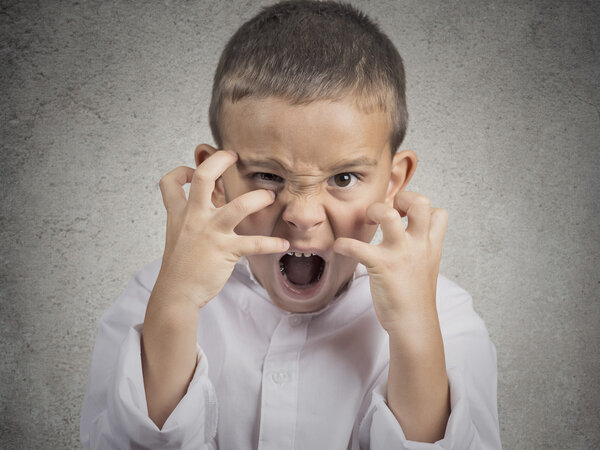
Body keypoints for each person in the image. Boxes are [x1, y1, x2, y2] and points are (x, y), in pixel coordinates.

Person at [80, 1, 501, 448]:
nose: (302, 213)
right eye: (268, 176)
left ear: (392, 183)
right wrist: (176, 303)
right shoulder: (154, 296)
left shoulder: (446, 315)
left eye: (343, 178)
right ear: (217, 178)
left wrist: (416, 330)